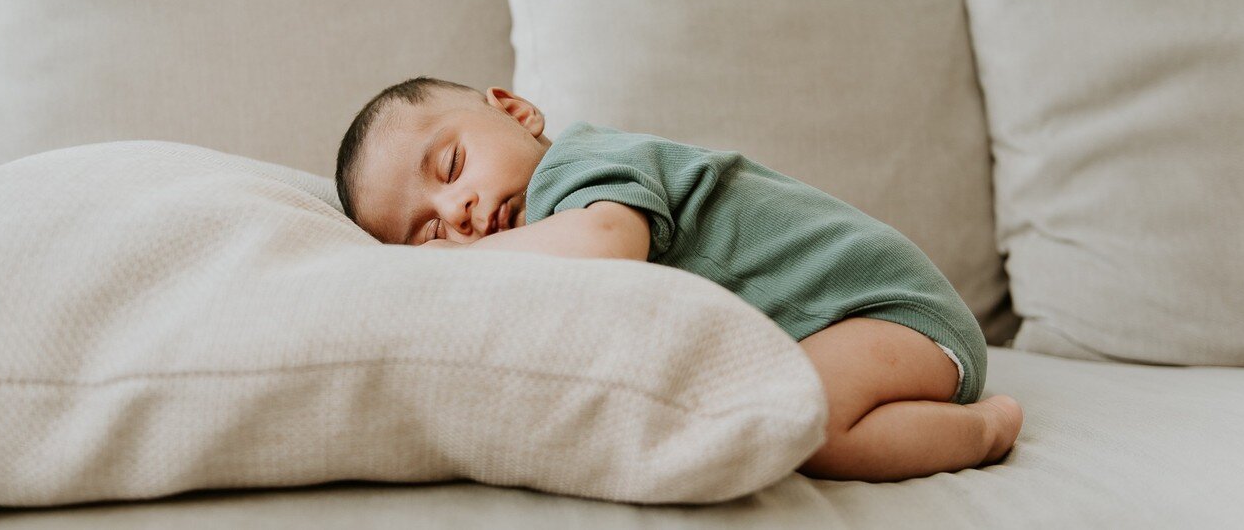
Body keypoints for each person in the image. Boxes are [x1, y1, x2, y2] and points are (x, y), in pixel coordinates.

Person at [335, 76, 1023, 482]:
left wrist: (440, 263)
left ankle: (985, 432)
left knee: (805, 425)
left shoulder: (579, 168)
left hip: (893, 314)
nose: (456, 213)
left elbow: (607, 244)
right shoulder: (543, 239)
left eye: (451, 167)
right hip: (850, 323)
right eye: (427, 231)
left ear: (515, 112)